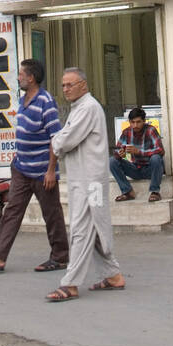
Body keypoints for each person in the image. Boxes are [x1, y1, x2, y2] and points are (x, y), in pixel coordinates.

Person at [0, 59, 68, 273]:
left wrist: (51, 170)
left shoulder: (46, 101)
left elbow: (55, 138)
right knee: (12, 211)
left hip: (43, 172)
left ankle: (60, 257)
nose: (18, 77)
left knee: (51, 213)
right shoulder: (23, 101)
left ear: (31, 78)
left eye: (21, 74)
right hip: (22, 169)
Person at [46, 68, 125, 300]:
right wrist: (57, 140)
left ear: (84, 84)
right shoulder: (80, 108)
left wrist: (55, 141)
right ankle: (113, 275)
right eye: (63, 85)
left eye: (70, 85)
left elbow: (64, 141)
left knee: (81, 229)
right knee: (95, 227)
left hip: (90, 182)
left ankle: (70, 283)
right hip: (85, 180)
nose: (65, 89)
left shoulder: (88, 108)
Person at [110, 107, 165, 202]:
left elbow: (160, 150)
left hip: (150, 169)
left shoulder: (151, 130)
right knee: (112, 161)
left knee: (156, 158)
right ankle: (127, 192)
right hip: (135, 168)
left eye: (138, 122)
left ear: (144, 121)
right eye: (132, 122)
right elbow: (117, 150)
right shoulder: (127, 132)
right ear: (129, 122)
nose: (135, 125)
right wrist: (120, 154)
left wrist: (139, 152)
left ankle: (155, 192)